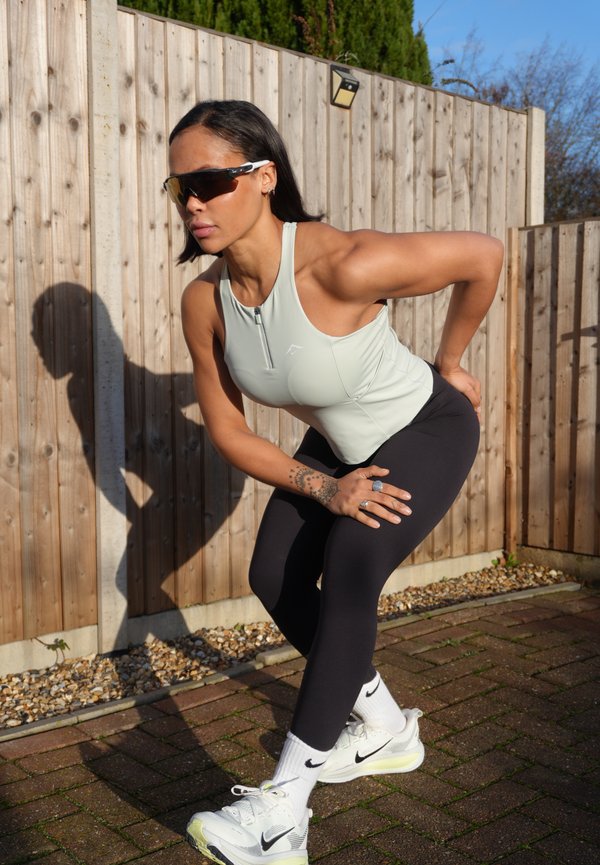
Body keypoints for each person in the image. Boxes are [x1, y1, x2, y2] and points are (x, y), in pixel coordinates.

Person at [164, 99, 503, 865]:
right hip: (336, 445)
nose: (193, 202)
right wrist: (326, 487)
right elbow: (230, 431)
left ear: (264, 177)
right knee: (272, 575)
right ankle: (383, 727)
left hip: (425, 424)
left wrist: (451, 361)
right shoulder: (205, 302)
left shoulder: (342, 263)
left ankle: (283, 815)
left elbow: (483, 256)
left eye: (211, 181)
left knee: (351, 563)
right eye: (180, 187)